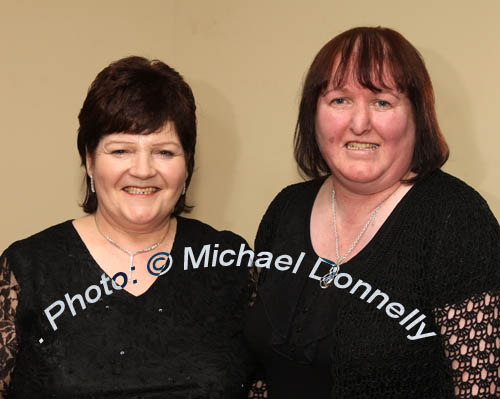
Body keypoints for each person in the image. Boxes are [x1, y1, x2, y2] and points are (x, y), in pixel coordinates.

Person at [245, 27, 500, 398]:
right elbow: (260, 371)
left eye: (382, 102)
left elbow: (482, 389)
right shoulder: (286, 208)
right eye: (340, 100)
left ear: (417, 115)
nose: (360, 123)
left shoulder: (455, 219)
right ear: (313, 114)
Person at [0, 56, 252, 398]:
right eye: (121, 150)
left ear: (188, 165)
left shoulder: (230, 262)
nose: (143, 170)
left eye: (164, 152)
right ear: (89, 161)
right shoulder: (27, 269)